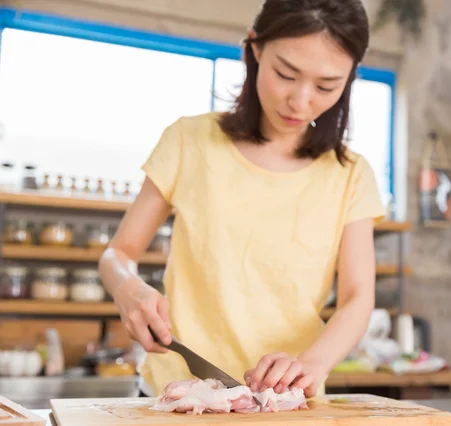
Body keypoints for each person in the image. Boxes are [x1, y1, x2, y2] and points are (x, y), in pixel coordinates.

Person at [98, 0, 386, 399]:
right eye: (286, 74)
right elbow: (118, 252)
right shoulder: (189, 140)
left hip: (286, 398)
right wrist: (127, 287)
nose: (301, 101)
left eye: (326, 86)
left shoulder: (351, 174)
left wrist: (313, 364)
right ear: (253, 50)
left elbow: (357, 298)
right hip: (176, 392)